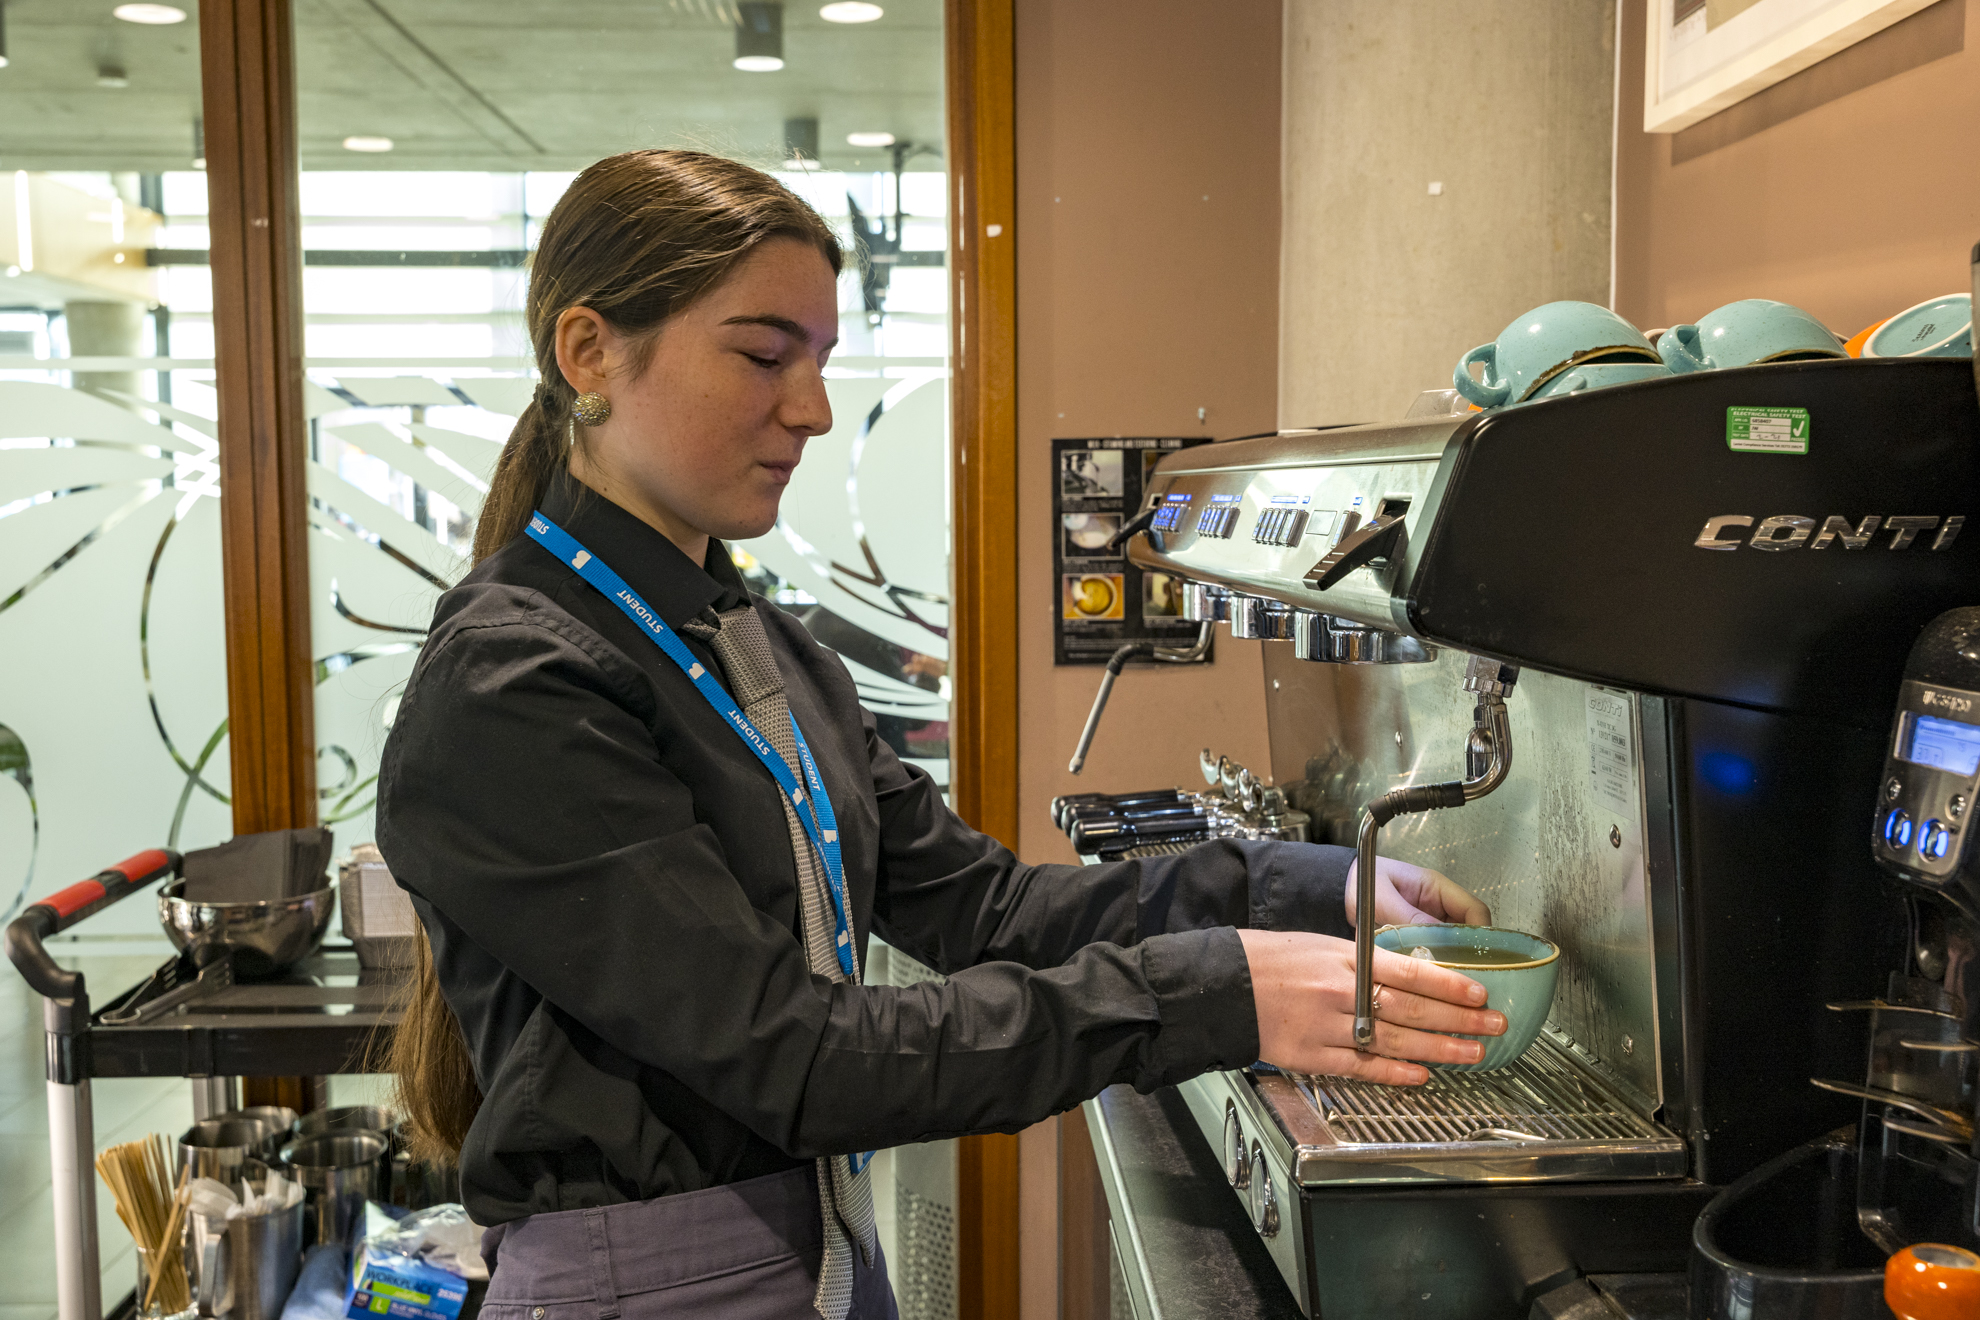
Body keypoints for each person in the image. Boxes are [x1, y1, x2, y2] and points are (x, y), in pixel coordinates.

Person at [375, 149, 1505, 1320]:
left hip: (820, 1256)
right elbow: (797, 1058)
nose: (809, 409)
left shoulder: (754, 641)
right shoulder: (519, 683)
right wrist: (1219, 992)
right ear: (589, 352)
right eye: (763, 355)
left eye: (817, 361)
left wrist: (1302, 886)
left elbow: (990, 914)